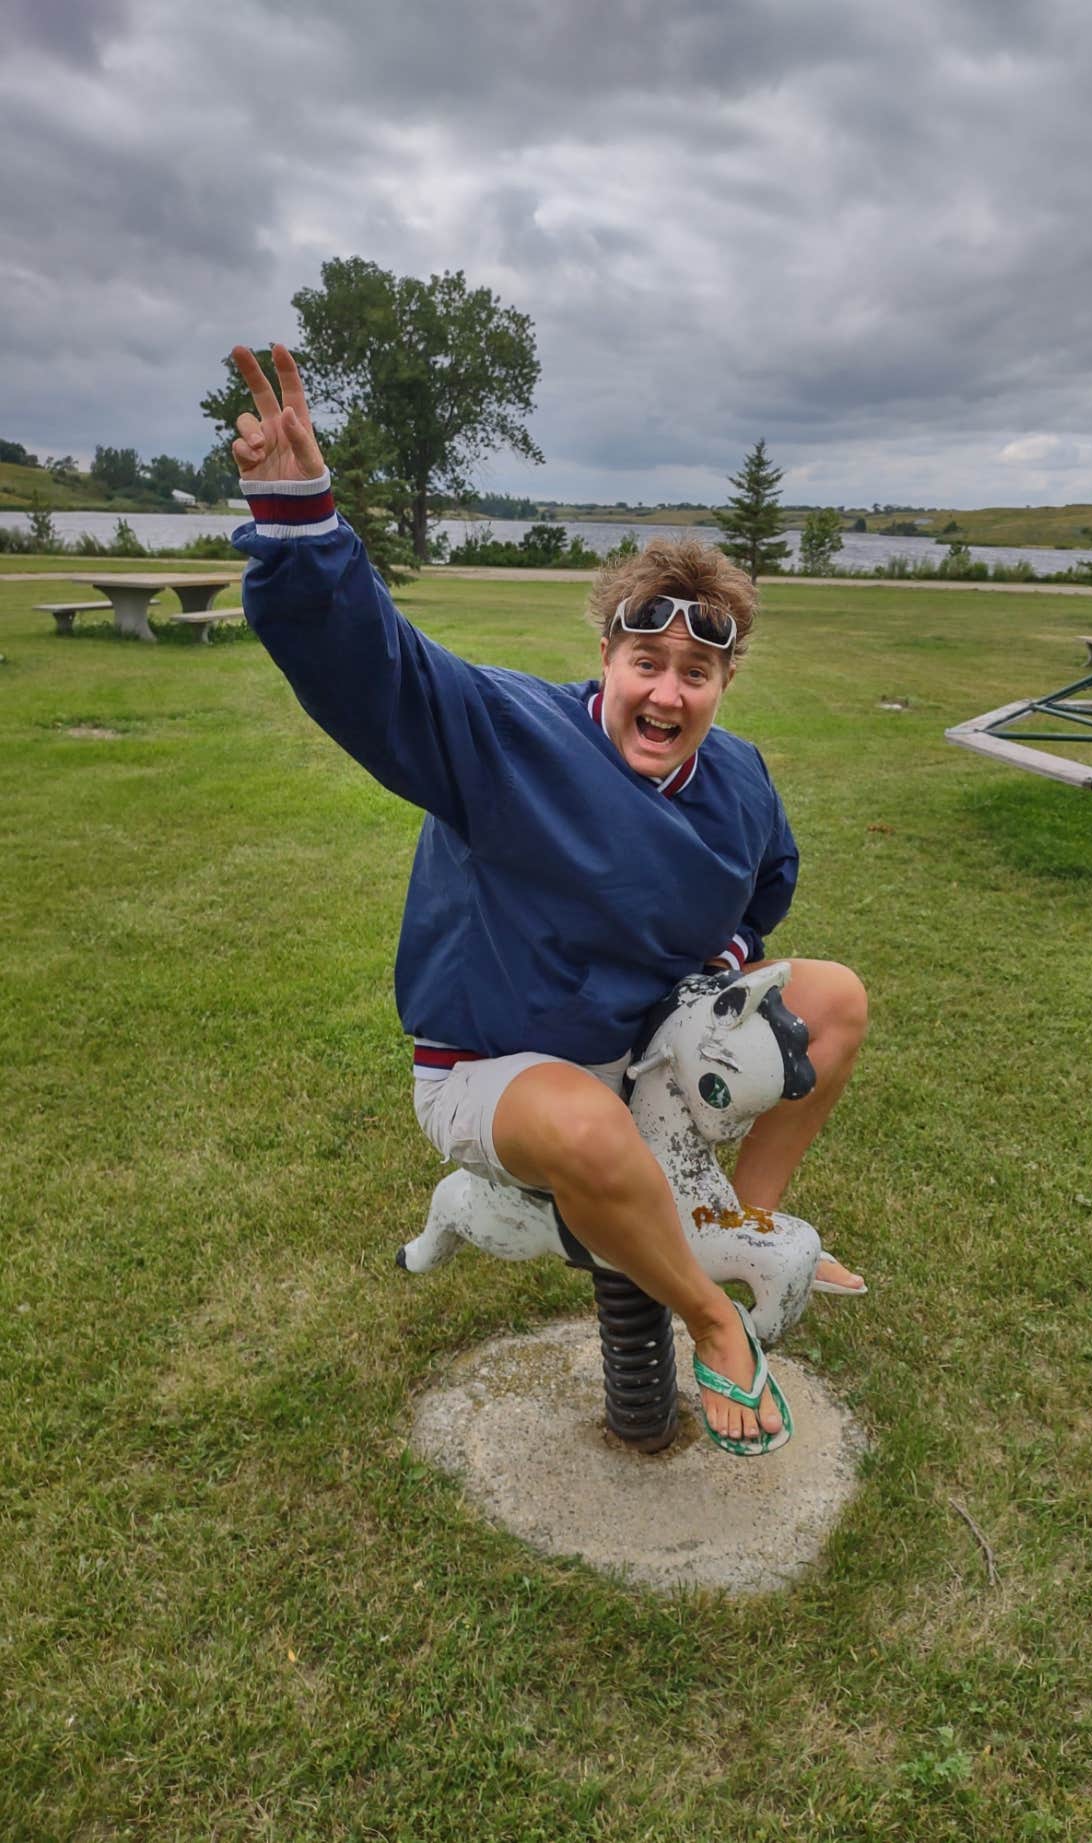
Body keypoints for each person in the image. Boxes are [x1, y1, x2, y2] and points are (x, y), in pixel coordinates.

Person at [228, 344, 868, 1455]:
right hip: (495, 1066)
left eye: (696, 672)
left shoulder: (739, 777)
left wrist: (715, 967)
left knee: (835, 997)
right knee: (580, 1117)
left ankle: (736, 1229)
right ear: (607, 655)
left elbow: (765, 882)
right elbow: (377, 672)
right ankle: (714, 1320)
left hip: (646, 1050)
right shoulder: (506, 735)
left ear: (723, 684)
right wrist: (300, 518)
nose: (667, 689)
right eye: (645, 659)